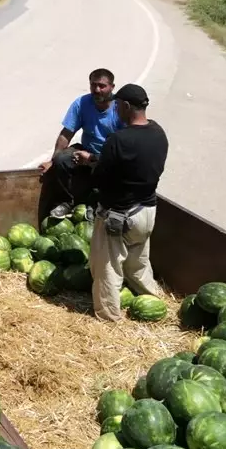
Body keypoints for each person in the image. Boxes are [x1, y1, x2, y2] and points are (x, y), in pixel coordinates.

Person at [89, 83, 169, 322]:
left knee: (108, 269)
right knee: (139, 263)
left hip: (119, 217)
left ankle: (109, 317)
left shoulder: (118, 139)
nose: (115, 110)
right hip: (146, 212)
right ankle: (152, 298)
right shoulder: (159, 133)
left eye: (116, 106)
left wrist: (93, 163)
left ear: (125, 106)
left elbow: (100, 178)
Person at [38, 68, 124, 221]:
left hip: (108, 157)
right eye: (93, 85)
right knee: (62, 159)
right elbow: (66, 134)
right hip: (86, 150)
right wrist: (52, 161)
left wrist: (93, 159)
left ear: (112, 87)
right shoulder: (82, 103)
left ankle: (96, 203)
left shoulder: (120, 109)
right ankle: (67, 201)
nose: (97, 90)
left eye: (102, 86)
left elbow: (124, 146)